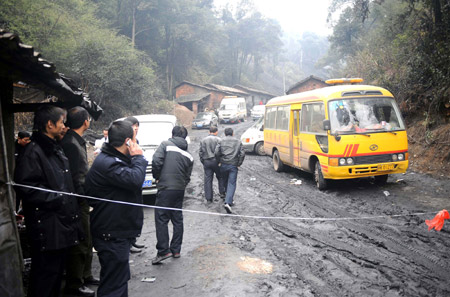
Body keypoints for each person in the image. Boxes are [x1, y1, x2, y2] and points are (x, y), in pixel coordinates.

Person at [14, 105, 83, 297]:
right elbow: (27, 187)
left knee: (55, 277)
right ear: (49, 124)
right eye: (61, 122)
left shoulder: (53, 148)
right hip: (47, 227)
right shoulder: (33, 152)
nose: (64, 126)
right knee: (44, 278)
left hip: (60, 225)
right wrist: (59, 198)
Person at [85, 120, 148, 297]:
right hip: (111, 233)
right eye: (135, 139)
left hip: (115, 230)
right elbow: (135, 180)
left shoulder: (112, 159)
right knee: (114, 284)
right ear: (128, 141)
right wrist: (138, 157)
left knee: (117, 279)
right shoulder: (109, 163)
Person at [60, 107, 98, 297]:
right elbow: (76, 177)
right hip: (77, 199)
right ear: (85, 122)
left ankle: (86, 274)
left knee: (87, 237)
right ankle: (75, 283)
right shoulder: (71, 144)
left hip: (82, 197)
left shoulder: (77, 141)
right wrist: (85, 197)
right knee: (80, 240)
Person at [151, 126, 193, 264]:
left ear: (173, 134)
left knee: (161, 218)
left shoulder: (165, 145)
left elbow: (156, 161)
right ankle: (176, 250)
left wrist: (157, 177)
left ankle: (163, 251)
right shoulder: (189, 155)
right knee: (177, 219)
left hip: (165, 187)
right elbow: (187, 176)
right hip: (179, 189)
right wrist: (181, 185)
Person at [124, 116, 145, 253]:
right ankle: (128, 242)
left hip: (136, 180)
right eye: (133, 125)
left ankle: (133, 239)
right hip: (129, 178)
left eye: (137, 125)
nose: (136, 128)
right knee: (128, 213)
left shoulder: (136, 141)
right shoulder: (124, 142)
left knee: (137, 212)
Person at [214, 127, 245, 214]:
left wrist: (219, 161)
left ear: (224, 133)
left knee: (225, 181)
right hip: (233, 165)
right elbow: (242, 153)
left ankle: (228, 198)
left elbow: (216, 152)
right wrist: (239, 163)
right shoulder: (238, 141)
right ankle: (228, 201)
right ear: (233, 133)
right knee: (231, 183)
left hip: (223, 164)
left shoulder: (221, 141)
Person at [199, 126, 225, 203]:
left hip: (207, 161)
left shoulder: (203, 140)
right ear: (216, 132)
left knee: (208, 180)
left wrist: (203, 161)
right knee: (220, 177)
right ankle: (222, 193)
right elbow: (221, 152)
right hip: (216, 161)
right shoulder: (219, 140)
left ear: (209, 132)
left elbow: (200, 152)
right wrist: (220, 161)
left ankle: (209, 198)